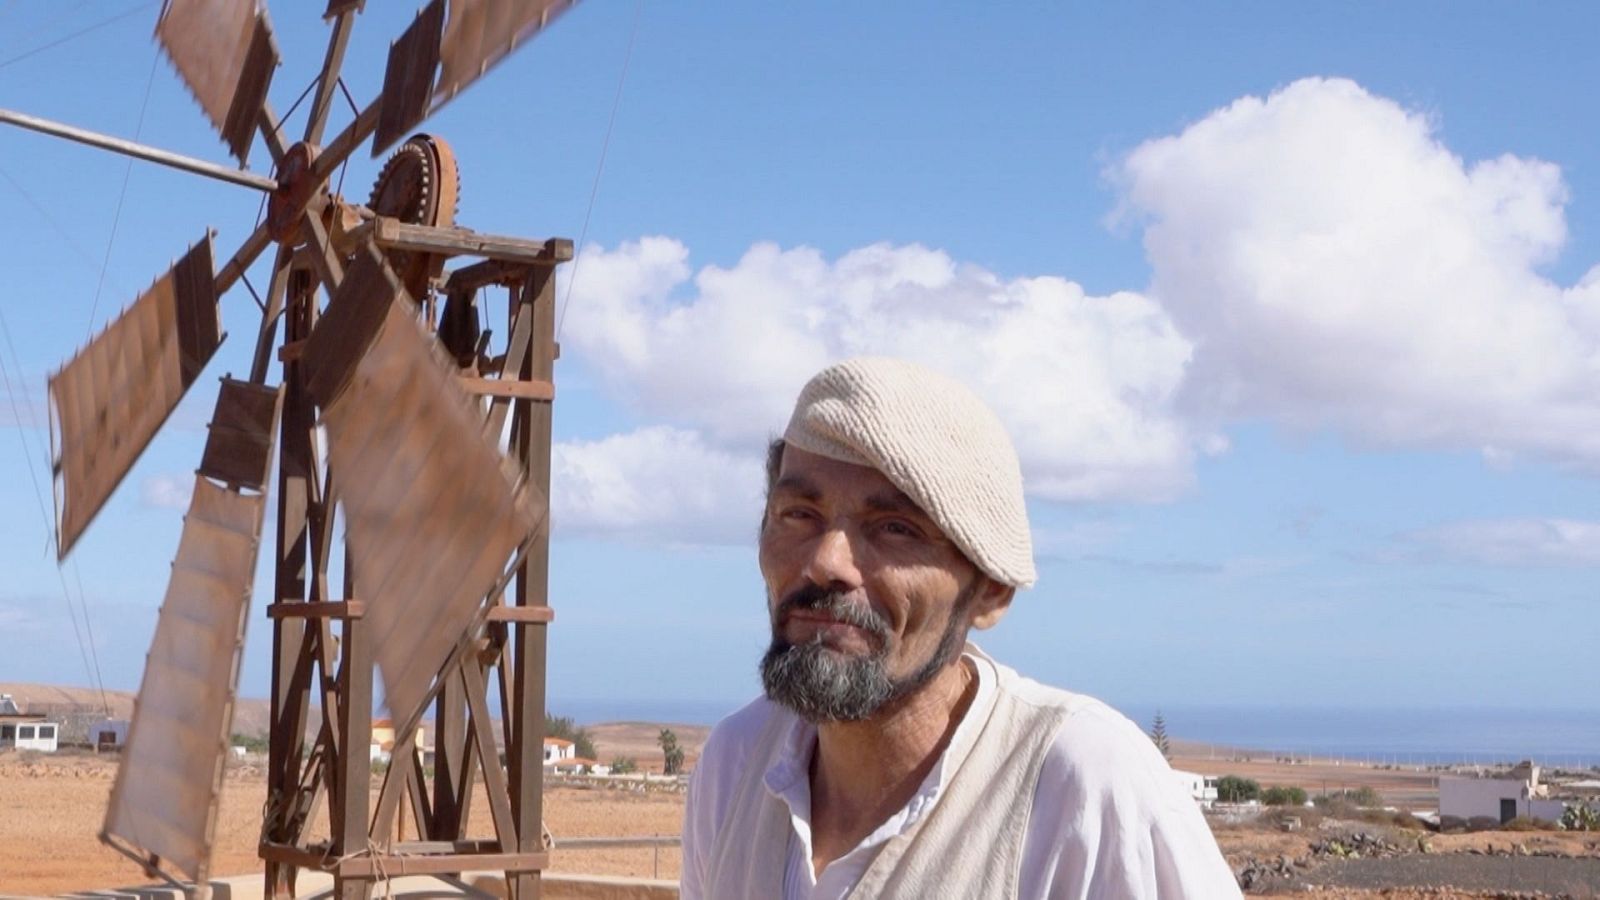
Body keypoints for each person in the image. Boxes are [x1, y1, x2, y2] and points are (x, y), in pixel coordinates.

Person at [680, 357, 1242, 899]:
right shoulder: (736, 764)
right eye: (799, 515)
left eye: (895, 528)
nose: (826, 562)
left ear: (990, 590)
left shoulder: (1081, 791)